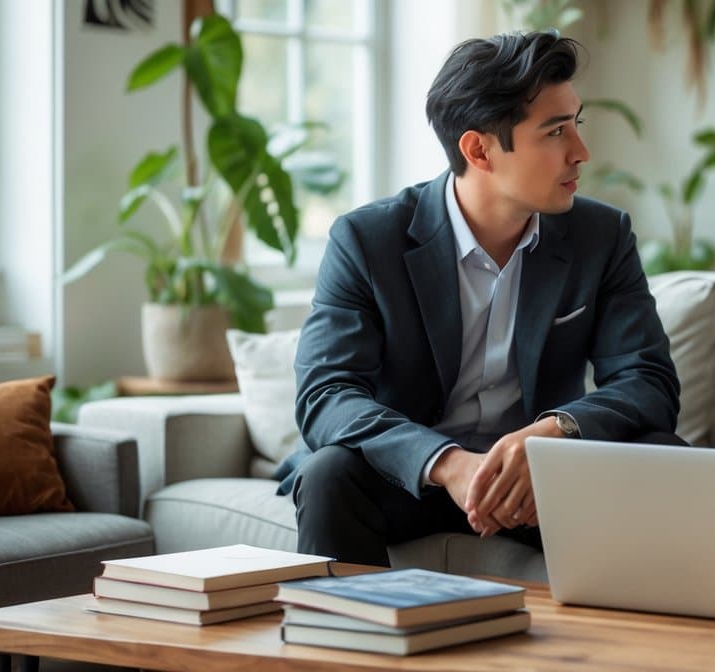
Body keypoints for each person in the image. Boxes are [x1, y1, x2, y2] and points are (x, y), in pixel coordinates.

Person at [276, 31, 681, 566]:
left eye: (575, 125)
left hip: (539, 482)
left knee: (665, 458)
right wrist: (447, 464)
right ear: (479, 149)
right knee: (328, 472)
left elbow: (647, 381)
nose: (581, 152)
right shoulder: (368, 240)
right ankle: (353, 643)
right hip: (411, 478)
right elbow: (327, 394)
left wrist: (551, 435)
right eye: (555, 132)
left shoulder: (600, 236)